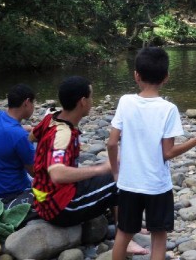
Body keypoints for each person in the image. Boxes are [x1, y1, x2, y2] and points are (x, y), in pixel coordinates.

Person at [107, 47, 196, 260]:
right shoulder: (168, 109)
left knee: (123, 234)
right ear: (166, 78)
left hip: (129, 183)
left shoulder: (125, 101)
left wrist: (116, 172)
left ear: (136, 75)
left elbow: (112, 143)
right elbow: (168, 153)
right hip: (157, 186)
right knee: (159, 237)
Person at [31, 76, 148, 255]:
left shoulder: (51, 117)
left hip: (44, 199)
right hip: (61, 208)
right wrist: (100, 169)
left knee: (112, 169)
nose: (92, 102)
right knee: (120, 178)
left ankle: (127, 225)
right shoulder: (63, 134)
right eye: (91, 97)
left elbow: (32, 136)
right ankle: (124, 239)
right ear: (83, 102)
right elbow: (57, 174)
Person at [0, 84, 36, 203]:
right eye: (33, 103)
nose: (34, 107)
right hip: (8, 191)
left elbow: (10, 129)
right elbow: (35, 171)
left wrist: (30, 129)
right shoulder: (19, 136)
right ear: (27, 102)